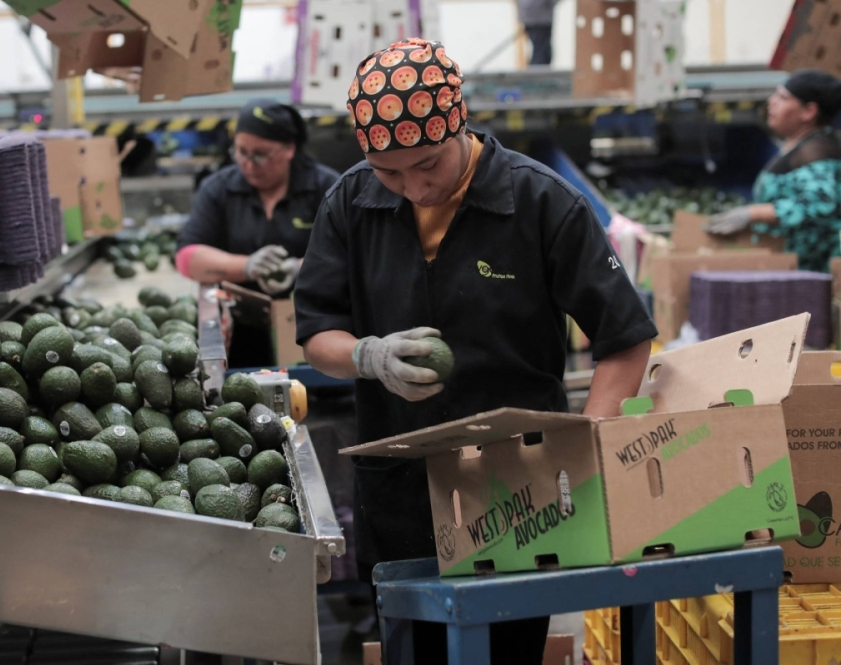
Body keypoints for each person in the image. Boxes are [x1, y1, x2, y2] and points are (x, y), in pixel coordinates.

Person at [293, 38, 656, 663]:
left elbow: (624, 340)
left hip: (520, 485)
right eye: (391, 172)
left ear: (457, 122)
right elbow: (316, 332)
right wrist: (367, 356)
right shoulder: (352, 200)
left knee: (509, 647)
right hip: (401, 488)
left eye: (428, 163)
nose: (413, 187)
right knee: (416, 649)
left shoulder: (543, 202)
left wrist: (587, 452)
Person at [176, 99, 340, 367]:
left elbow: (355, 253)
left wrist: (302, 268)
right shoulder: (218, 190)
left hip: (314, 326)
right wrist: (248, 266)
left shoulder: (327, 187)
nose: (250, 164)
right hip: (241, 332)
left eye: (261, 154)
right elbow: (187, 257)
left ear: (289, 148)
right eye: (241, 152)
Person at [706, 69, 841, 272]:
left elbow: (821, 203)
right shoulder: (798, 145)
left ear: (809, 112)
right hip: (787, 270)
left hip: (811, 277)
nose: (772, 102)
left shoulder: (818, 151)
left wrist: (754, 213)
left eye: (783, 98)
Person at [518, 0, 558, 66]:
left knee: (541, 53)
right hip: (540, 19)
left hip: (533, 17)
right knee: (541, 54)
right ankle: (536, 75)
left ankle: (535, 73)